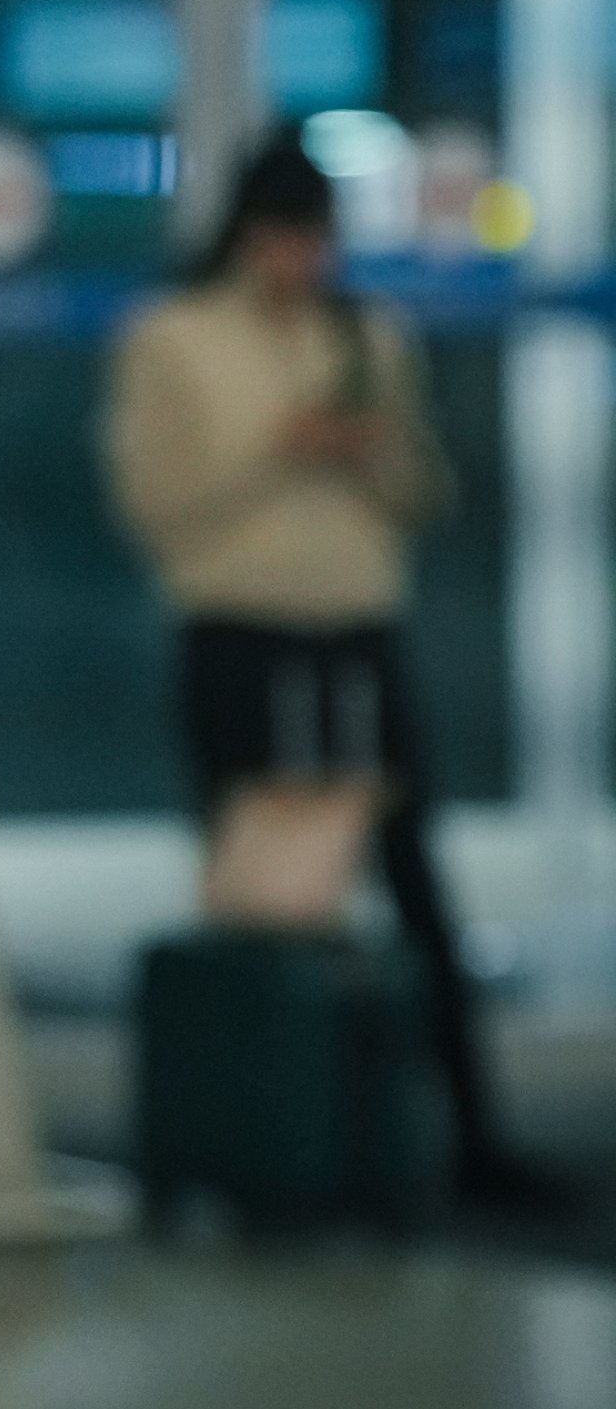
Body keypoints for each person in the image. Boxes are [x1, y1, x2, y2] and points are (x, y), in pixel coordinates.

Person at [106, 131, 555, 1209]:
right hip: (237, 629)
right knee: (259, 890)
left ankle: (461, 1135)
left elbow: (421, 492)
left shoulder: (366, 334)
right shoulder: (174, 339)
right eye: (281, 239)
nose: (299, 263)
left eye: (315, 241)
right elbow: (155, 500)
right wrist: (278, 443)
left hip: (354, 626)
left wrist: (370, 446)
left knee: (413, 884)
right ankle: (256, 1142)